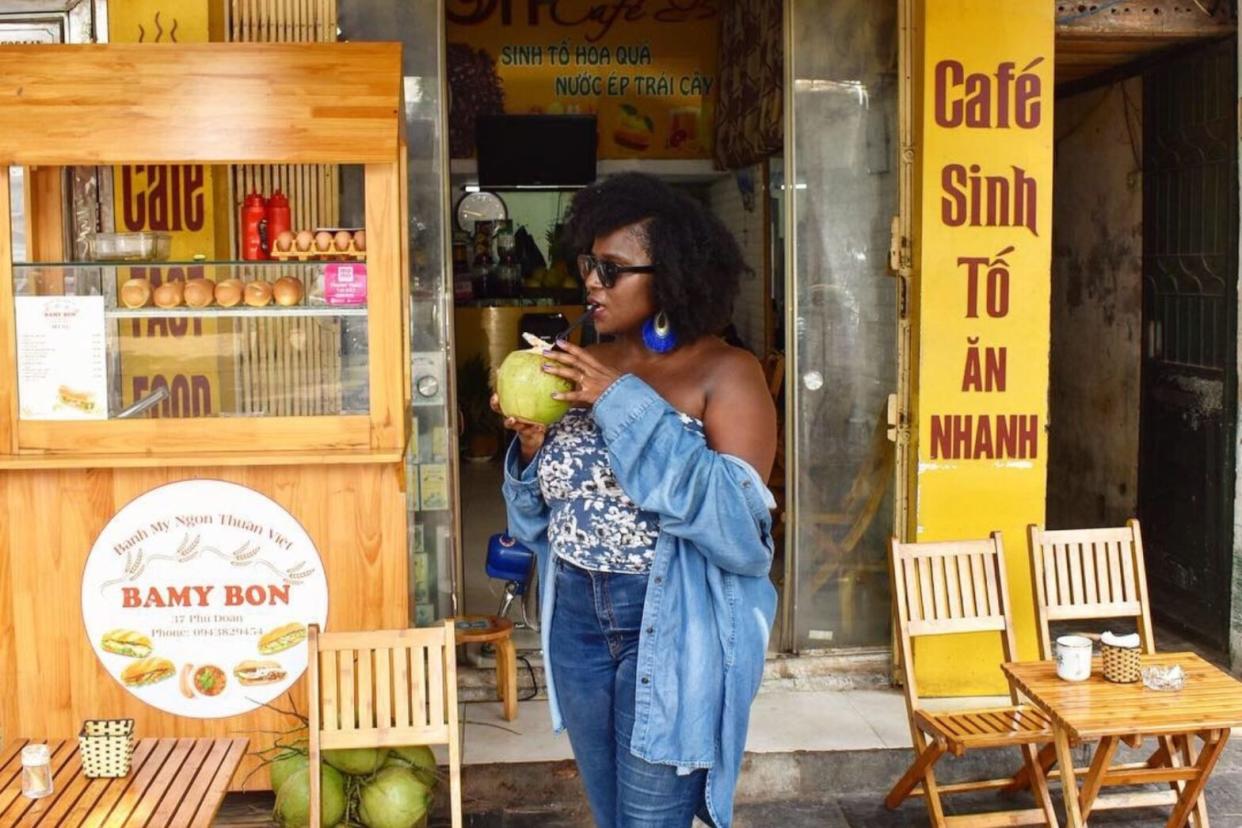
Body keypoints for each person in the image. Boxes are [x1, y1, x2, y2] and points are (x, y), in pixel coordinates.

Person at [493, 173, 778, 828]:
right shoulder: (584, 362)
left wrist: (621, 403)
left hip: (670, 624)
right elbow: (539, 525)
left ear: (670, 275)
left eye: (612, 269)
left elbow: (740, 533)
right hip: (576, 626)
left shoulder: (726, 372)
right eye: (589, 264)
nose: (591, 281)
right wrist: (533, 449)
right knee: (614, 816)